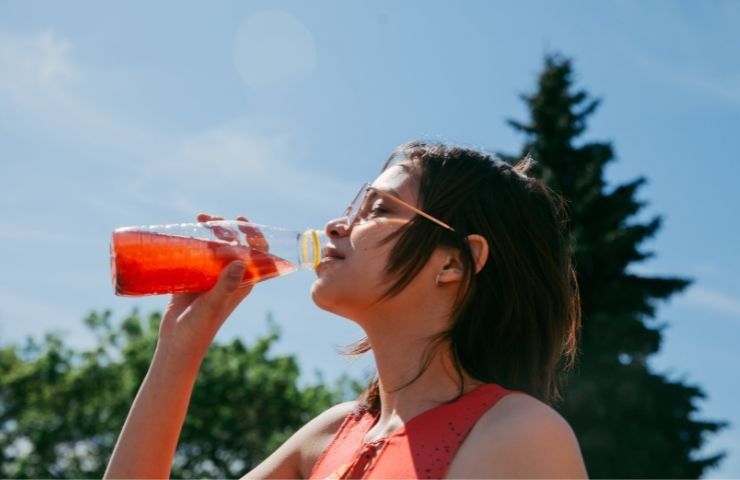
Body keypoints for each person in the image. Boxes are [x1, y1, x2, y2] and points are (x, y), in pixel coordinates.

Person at [104, 141, 589, 479]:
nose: (337, 224)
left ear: (452, 262)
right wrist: (179, 346)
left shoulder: (519, 434)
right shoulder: (331, 435)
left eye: (377, 209)